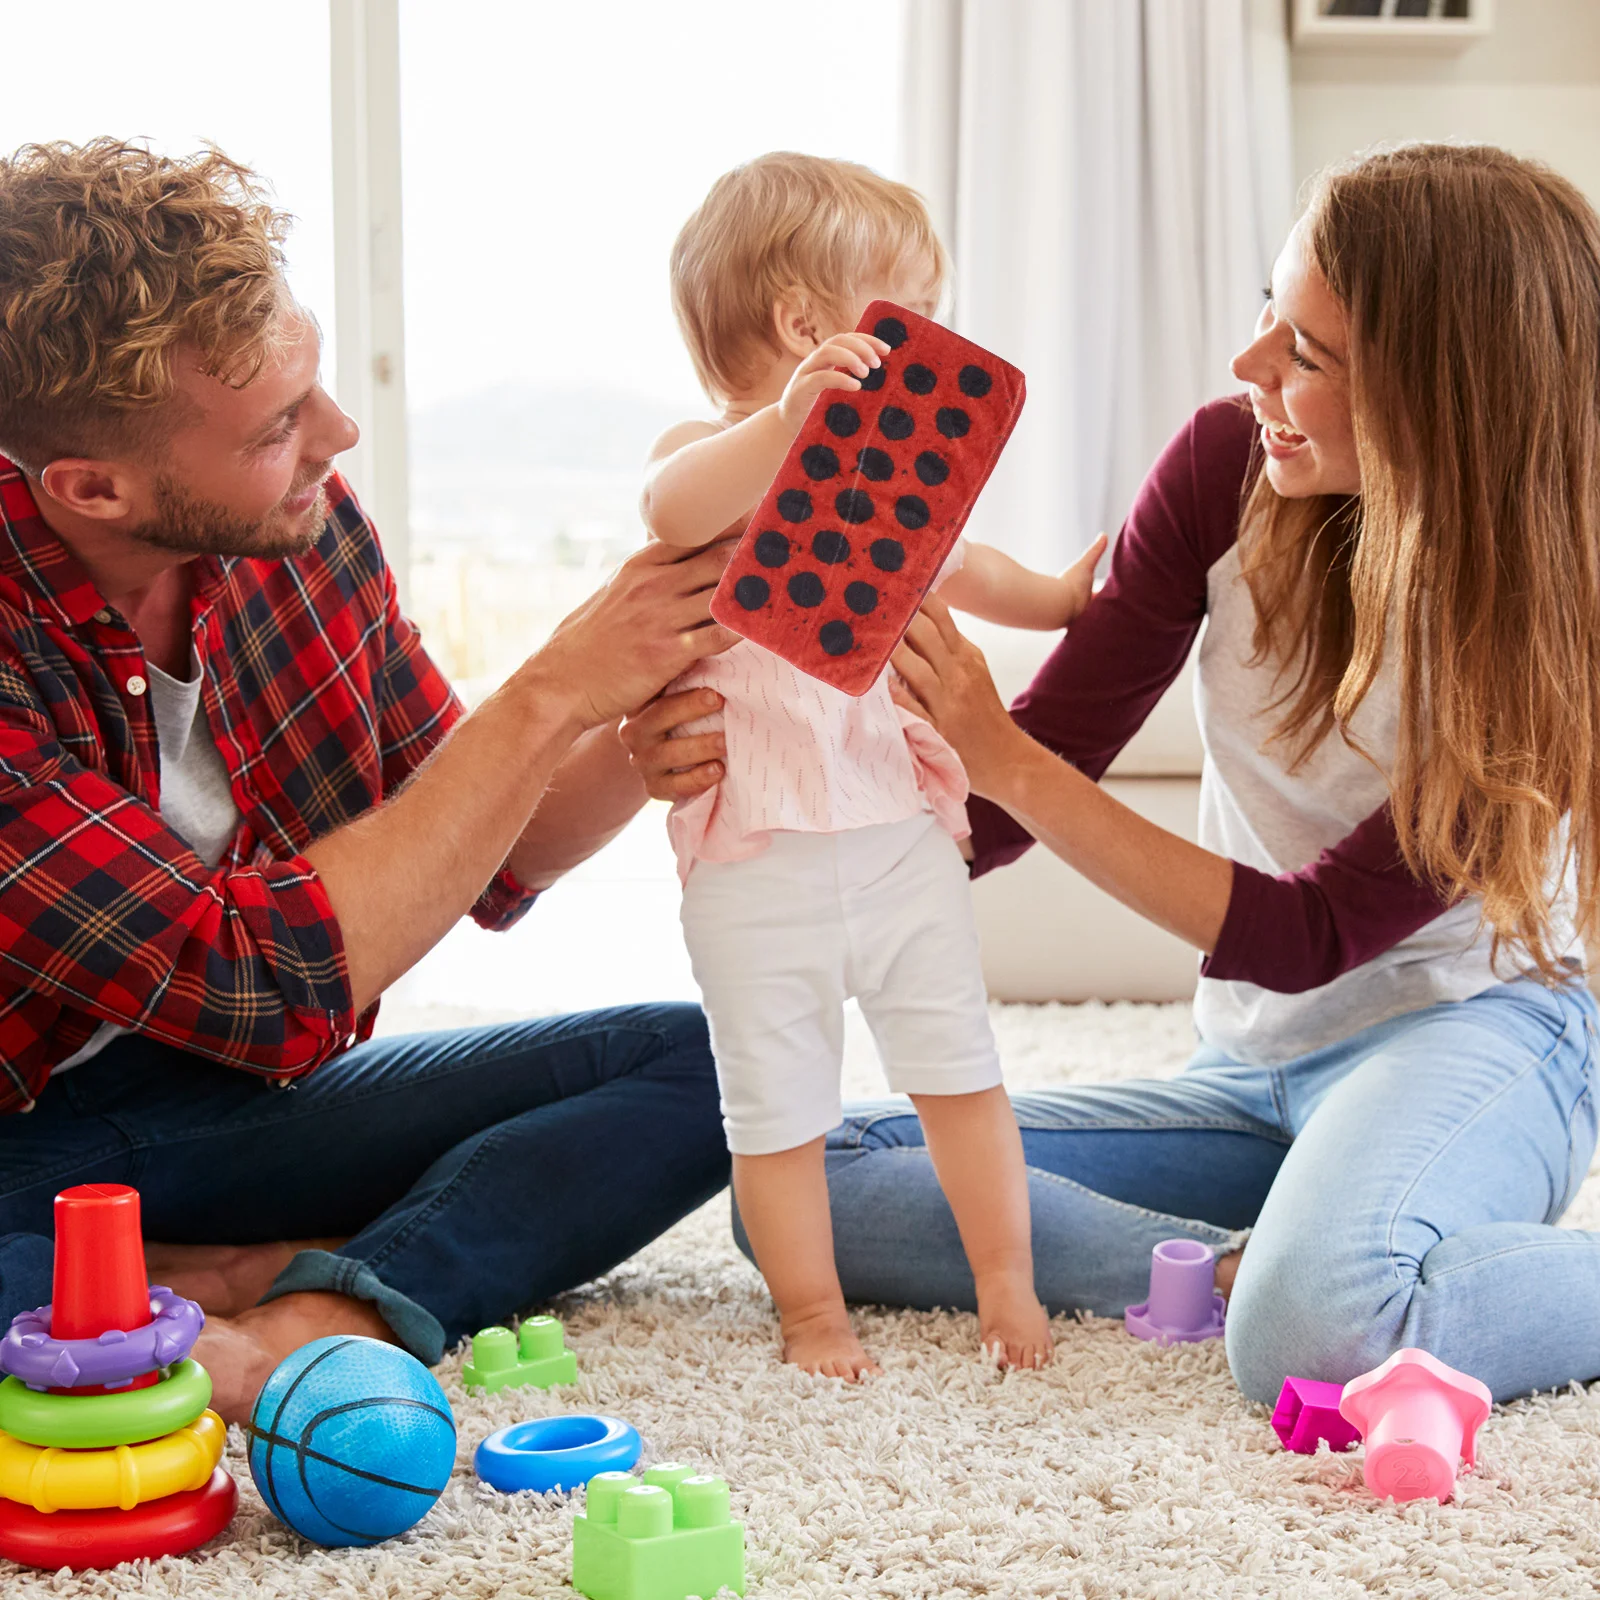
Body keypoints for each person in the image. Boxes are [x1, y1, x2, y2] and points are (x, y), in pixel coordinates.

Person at [625, 142, 1600, 1405]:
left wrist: (990, 747)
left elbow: (1305, 933)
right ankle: (1263, 1255)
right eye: (1268, 310)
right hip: (1251, 1072)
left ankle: (1320, 1273)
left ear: (1441, 396)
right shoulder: (1219, 469)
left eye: (1306, 354)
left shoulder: (1540, 621)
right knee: (816, 1183)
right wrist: (769, 765)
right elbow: (1036, 768)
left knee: (1312, 1335)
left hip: (1472, 1033)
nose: (1252, 364)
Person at [0, 139, 737, 1422]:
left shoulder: (301, 526)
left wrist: (627, 734)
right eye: (281, 426)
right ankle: (137, 1287)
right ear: (91, 487)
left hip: (216, 1106)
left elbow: (481, 847)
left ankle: (304, 1302)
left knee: (710, 1060)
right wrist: (551, 690)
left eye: (314, 381)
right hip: (24, 1134)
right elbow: (261, 983)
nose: (336, 436)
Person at [642, 153, 1104, 1377]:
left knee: (960, 1072)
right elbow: (673, 505)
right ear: (809, 328)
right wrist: (785, 427)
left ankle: (1005, 1282)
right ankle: (811, 1312)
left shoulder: (889, 481)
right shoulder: (714, 457)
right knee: (777, 1105)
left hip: (895, 837)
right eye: (914, 313)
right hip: (752, 856)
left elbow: (969, 561)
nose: (939, 341)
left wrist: (1058, 597)